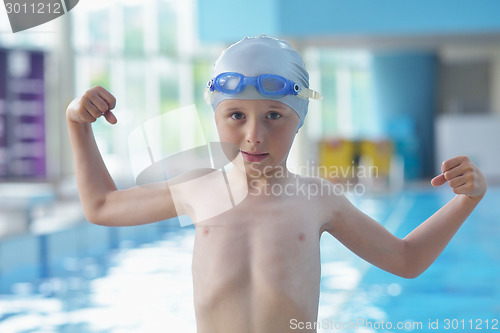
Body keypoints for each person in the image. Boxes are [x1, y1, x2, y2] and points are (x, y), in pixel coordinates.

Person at [66, 35, 487, 333]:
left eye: (274, 115)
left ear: (298, 120)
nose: (254, 134)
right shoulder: (199, 188)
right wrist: (77, 125)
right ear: (215, 117)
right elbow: (102, 206)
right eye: (236, 116)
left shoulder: (318, 199)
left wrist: (466, 201)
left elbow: (405, 260)